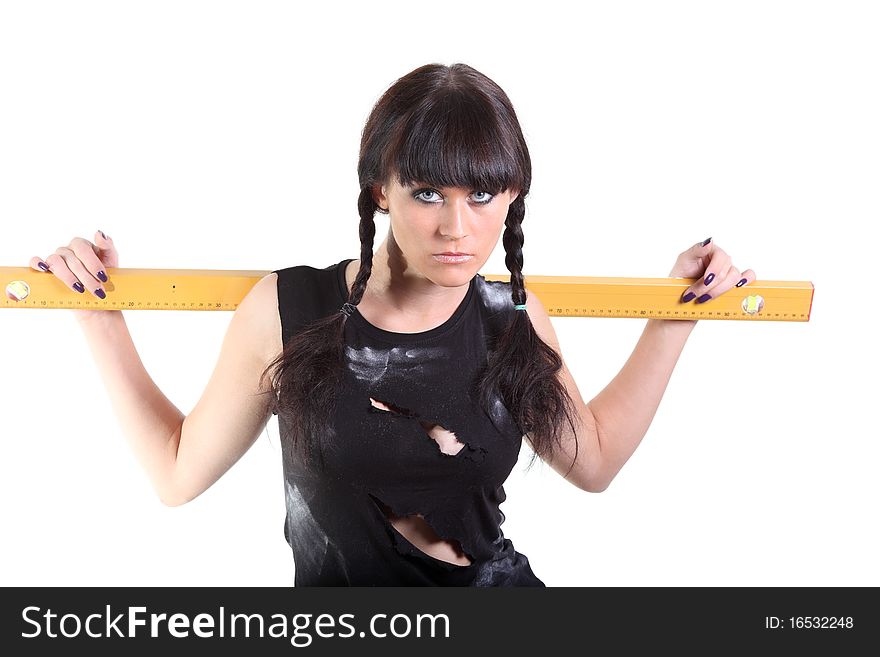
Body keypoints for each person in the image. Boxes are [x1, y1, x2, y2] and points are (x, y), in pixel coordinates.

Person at [29, 62, 755, 586]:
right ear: (381, 189)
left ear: (513, 195)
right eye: (428, 191)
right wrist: (98, 315)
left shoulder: (512, 318)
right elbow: (176, 472)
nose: (456, 226)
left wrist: (674, 317)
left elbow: (592, 462)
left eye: (481, 192)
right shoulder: (290, 311)